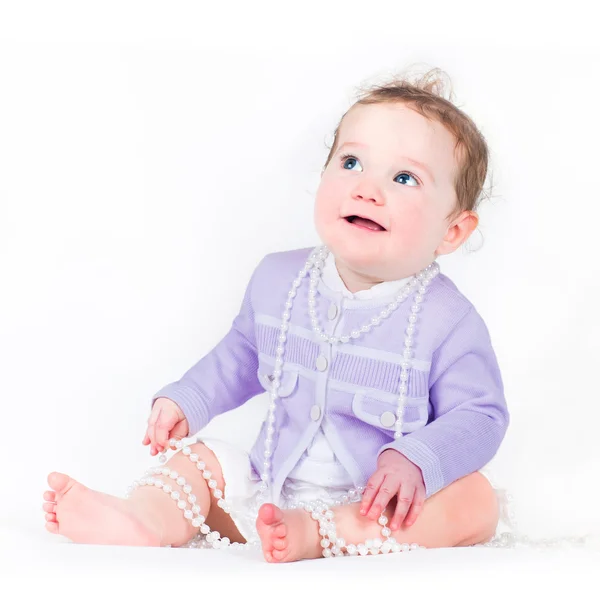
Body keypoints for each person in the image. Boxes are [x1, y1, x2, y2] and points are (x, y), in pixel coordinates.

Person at [42, 66, 586, 562]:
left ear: (453, 231)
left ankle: (325, 535)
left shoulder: (447, 320)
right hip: (272, 485)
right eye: (351, 162)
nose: (367, 188)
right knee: (201, 460)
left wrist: (418, 459)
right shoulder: (279, 279)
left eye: (404, 179)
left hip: (380, 505)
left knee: (475, 500)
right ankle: (143, 519)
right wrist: (187, 399)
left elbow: (481, 418)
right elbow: (242, 353)